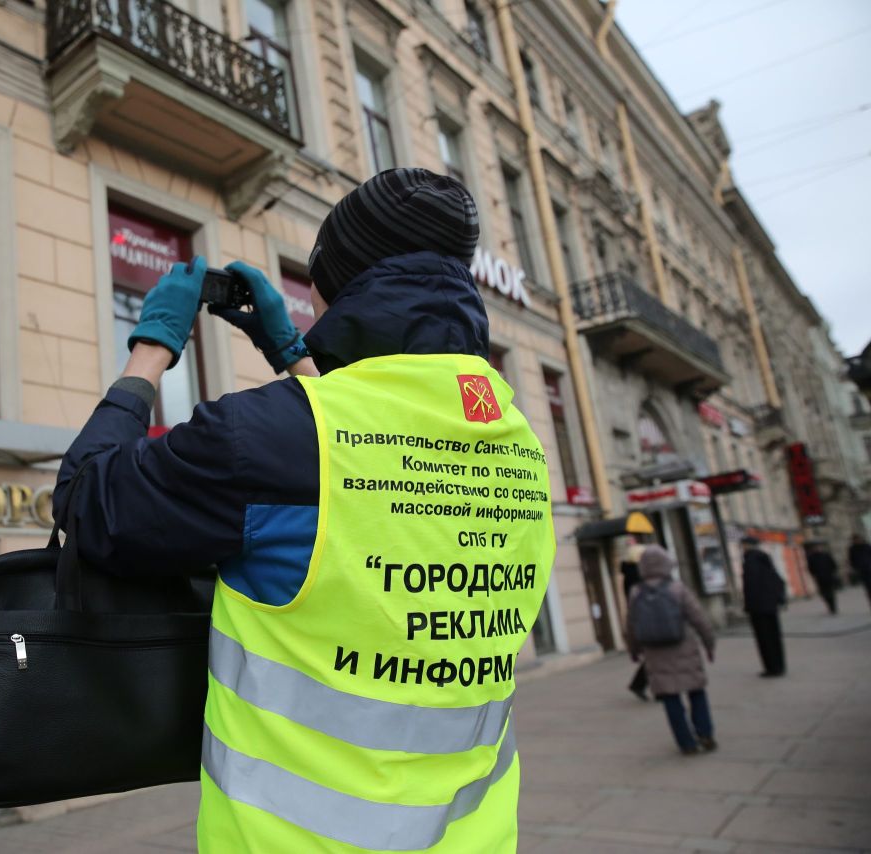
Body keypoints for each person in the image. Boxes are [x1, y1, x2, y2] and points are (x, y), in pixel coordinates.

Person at [54, 169, 555, 852]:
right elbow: (367, 476)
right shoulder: (515, 441)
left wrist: (152, 348)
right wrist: (294, 357)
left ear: (332, 284)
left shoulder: (263, 441)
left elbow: (87, 502)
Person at [625, 545, 717, 756]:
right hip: (684, 647)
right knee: (696, 692)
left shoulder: (636, 592)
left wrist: (634, 650)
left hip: (656, 654)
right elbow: (699, 619)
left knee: (670, 699)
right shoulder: (677, 588)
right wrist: (709, 644)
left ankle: (686, 744)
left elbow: (631, 625)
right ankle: (705, 734)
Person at [741, 535, 787, 677]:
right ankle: (779, 666)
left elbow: (751, 586)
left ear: (747, 546)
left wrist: (748, 605)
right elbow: (778, 580)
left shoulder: (750, 561)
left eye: (742, 545)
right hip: (770, 605)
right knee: (774, 636)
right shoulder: (765, 559)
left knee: (764, 639)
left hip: (758, 607)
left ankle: (771, 668)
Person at [620, 540, 649, 700]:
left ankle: (640, 685)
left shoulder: (629, 573)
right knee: (656, 656)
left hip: (640, 618)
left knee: (655, 657)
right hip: (645, 617)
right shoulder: (638, 574)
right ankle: (641, 685)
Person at [804, 541, 839, 614]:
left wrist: (832, 573)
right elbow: (810, 568)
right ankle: (830, 606)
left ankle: (833, 607)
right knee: (824, 593)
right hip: (819, 578)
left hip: (828, 577)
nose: (817, 549)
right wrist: (814, 575)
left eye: (818, 547)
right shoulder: (811, 558)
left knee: (831, 592)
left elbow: (833, 564)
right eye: (815, 548)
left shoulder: (826, 555)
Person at [850, 534, 871, 609]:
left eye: (858, 539)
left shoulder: (867, 546)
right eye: (855, 540)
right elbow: (852, 559)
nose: (857, 541)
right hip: (862, 571)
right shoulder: (852, 549)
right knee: (868, 588)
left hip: (869, 568)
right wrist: (855, 567)